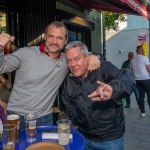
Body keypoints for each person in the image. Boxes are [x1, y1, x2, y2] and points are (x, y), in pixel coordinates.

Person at [0, 21, 100, 128]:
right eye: (51, 36)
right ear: (45, 37)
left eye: (59, 38)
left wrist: (95, 55)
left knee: (44, 145)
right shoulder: (25, 53)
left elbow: (83, 57)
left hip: (44, 118)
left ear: (65, 41)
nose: (54, 41)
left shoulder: (67, 61)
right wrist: (0, 47)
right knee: (12, 145)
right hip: (16, 116)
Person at [61, 41, 135, 150]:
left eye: (77, 59)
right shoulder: (68, 80)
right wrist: (78, 122)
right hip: (83, 137)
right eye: (69, 60)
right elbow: (67, 103)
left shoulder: (103, 68)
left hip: (110, 140)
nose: (73, 64)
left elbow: (127, 78)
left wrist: (113, 89)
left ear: (87, 57)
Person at [132, 45, 150, 117]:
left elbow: (133, 71)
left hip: (137, 80)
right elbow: (149, 69)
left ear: (136, 51)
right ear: (142, 51)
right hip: (146, 79)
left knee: (141, 96)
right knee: (149, 96)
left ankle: (143, 112)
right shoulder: (145, 58)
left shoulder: (133, 60)